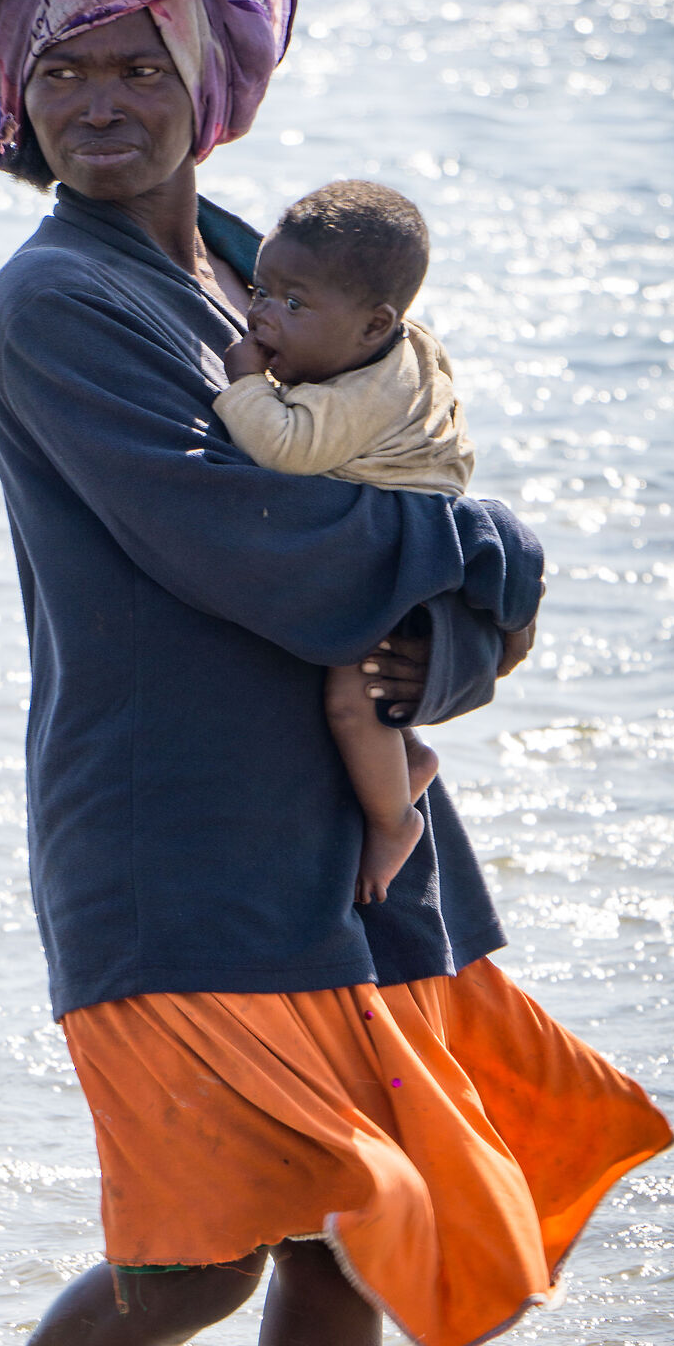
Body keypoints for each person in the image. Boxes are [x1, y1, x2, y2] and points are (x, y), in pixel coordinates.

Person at [0, 0, 672, 1346]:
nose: (103, 101)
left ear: (204, 78)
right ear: (21, 101)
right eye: (68, 70)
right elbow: (249, 543)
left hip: (339, 842)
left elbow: (396, 499)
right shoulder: (56, 304)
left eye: (135, 63)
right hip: (174, 853)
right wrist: (508, 568)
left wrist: (458, 639)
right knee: (191, 1262)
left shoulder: (250, 267)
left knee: (348, 1240)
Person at [215, 178, 475, 905]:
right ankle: (409, 760)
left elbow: (287, 447)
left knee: (350, 702)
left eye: (295, 306)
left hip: (399, 553)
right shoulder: (369, 351)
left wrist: (243, 385)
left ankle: (395, 820)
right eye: (262, 291)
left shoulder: (368, 390)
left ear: (373, 327)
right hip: (401, 531)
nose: (264, 315)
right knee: (363, 705)